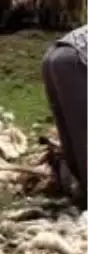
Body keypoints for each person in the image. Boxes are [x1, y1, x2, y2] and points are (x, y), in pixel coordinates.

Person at [41, 24, 88, 194]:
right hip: (75, 59)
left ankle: (77, 184)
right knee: (83, 131)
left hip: (55, 53)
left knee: (69, 131)